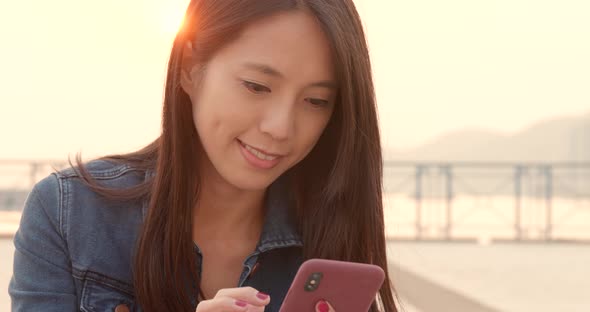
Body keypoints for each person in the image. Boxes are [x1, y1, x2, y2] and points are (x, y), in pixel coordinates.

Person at [9, 0, 397, 311]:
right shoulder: (71, 214)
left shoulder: (331, 234)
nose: (281, 127)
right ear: (190, 69)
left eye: (316, 100)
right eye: (257, 86)